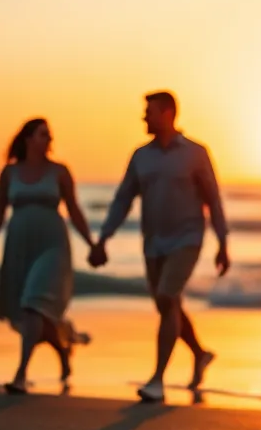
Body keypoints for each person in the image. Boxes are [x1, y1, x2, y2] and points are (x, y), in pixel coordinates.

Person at [89, 91, 229, 402]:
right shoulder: (141, 156)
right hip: (153, 243)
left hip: (187, 239)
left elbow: (213, 200)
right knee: (169, 305)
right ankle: (199, 352)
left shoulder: (195, 153)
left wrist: (222, 243)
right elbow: (123, 199)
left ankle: (157, 380)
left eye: (148, 112)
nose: (143, 117)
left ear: (168, 114)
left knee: (167, 297)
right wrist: (103, 238)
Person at [0, 118, 95, 394]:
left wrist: (92, 243)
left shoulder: (60, 172)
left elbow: (75, 210)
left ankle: (21, 374)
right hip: (19, 245)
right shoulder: (9, 173)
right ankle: (63, 352)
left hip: (52, 245)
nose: (48, 141)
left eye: (50, 136)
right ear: (28, 138)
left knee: (34, 304)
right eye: (43, 135)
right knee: (33, 313)